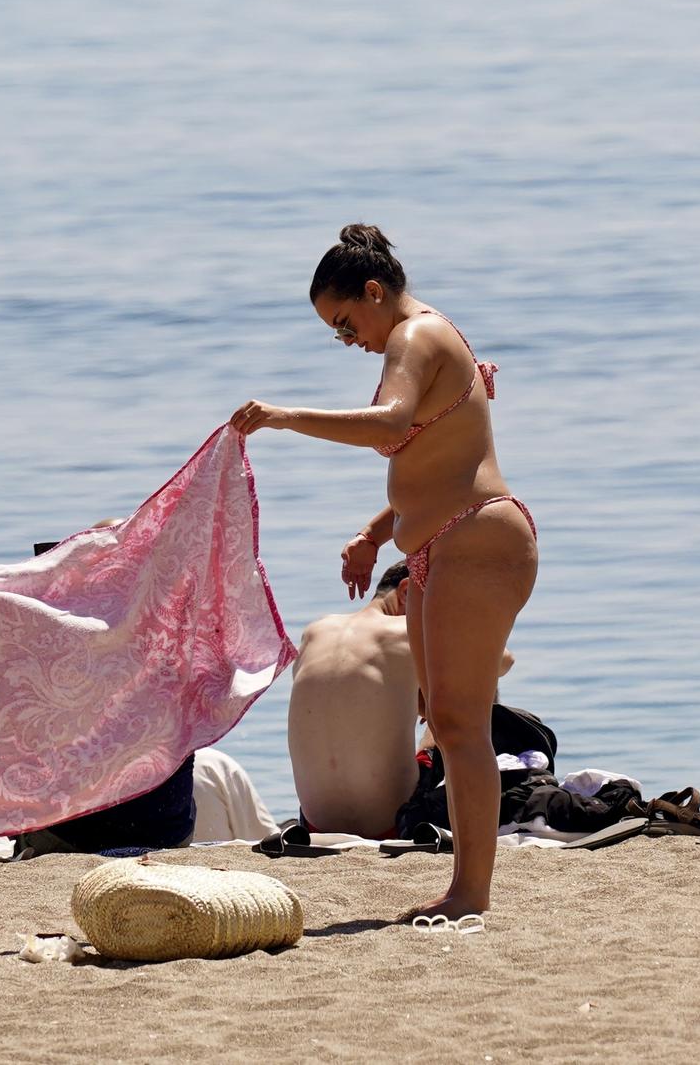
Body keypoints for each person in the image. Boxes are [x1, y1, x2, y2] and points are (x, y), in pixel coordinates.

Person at [231, 225, 537, 919]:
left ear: (374, 292)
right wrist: (376, 533)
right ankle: (465, 884)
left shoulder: (415, 335)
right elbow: (442, 457)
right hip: (439, 544)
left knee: (459, 722)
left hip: (478, 538)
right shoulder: (421, 335)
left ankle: (471, 891)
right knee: (447, 721)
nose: (347, 340)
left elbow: (391, 423)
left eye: (345, 323)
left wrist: (285, 416)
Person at [288, 562, 425, 837]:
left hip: (316, 824)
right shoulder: (408, 630)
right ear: (406, 591)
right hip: (393, 823)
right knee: (470, 695)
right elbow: (501, 660)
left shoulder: (315, 631)